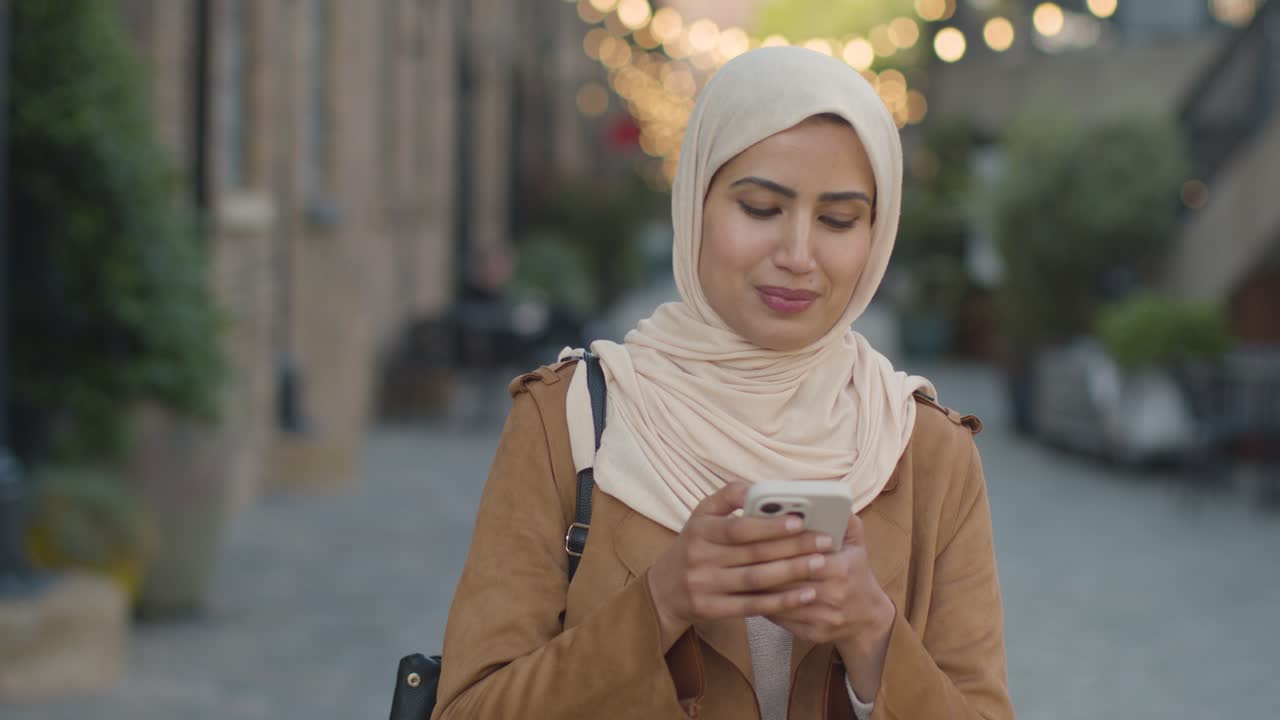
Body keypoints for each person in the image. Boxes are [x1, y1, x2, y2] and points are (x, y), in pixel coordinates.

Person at [431, 46, 1013, 720]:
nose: (797, 255)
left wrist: (873, 637)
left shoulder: (924, 452)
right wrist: (660, 603)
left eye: (838, 220)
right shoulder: (571, 423)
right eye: (762, 208)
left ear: (876, 236)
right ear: (696, 204)